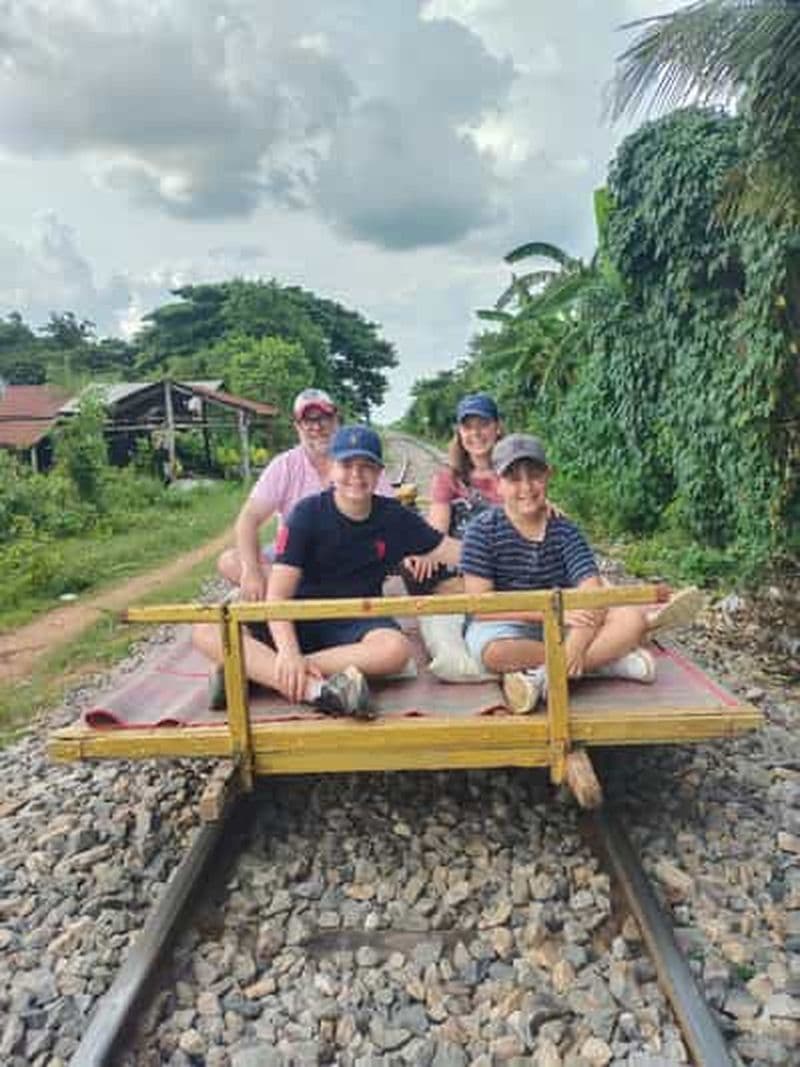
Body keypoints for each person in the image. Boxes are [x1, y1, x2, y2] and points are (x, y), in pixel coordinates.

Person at [194, 425, 461, 718]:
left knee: (395, 650)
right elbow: (278, 596)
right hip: (300, 613)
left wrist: (496, 550)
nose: (356, 475)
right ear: (332, 469)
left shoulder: (395, 517)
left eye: (366, 466)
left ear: (379, 473)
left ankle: (260, 670)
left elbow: (451, 550)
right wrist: (287, 650)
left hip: (356, 617)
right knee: (206, 630)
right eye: (346, 465)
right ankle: (317, 691)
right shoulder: (306, 514)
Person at [461, 433, 656, 713]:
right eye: (514, 479)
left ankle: (543, 677)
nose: (526, 487)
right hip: (510, 620)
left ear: (548, 476)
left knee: (631, 618)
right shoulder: (482, 530)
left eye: (535, 476)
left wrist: (576, 642)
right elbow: (479, 605)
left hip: (567, 619)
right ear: (498, 484)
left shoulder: (564, 529)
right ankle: (602, 665)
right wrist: (549, 613)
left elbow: (591, 588)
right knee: (494, 652)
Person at [218, 387, 394, 601]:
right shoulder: (284, 465)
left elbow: (393, 516)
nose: (317, 427)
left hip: (348, 557)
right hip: (293, 558)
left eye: (323, 418)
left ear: (336, 420)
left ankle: (302, 596)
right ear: (298, 427)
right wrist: (252, 571)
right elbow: (248, 519)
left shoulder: (360, 459)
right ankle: (314, 595)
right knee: (230, 560)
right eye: (308, 421)